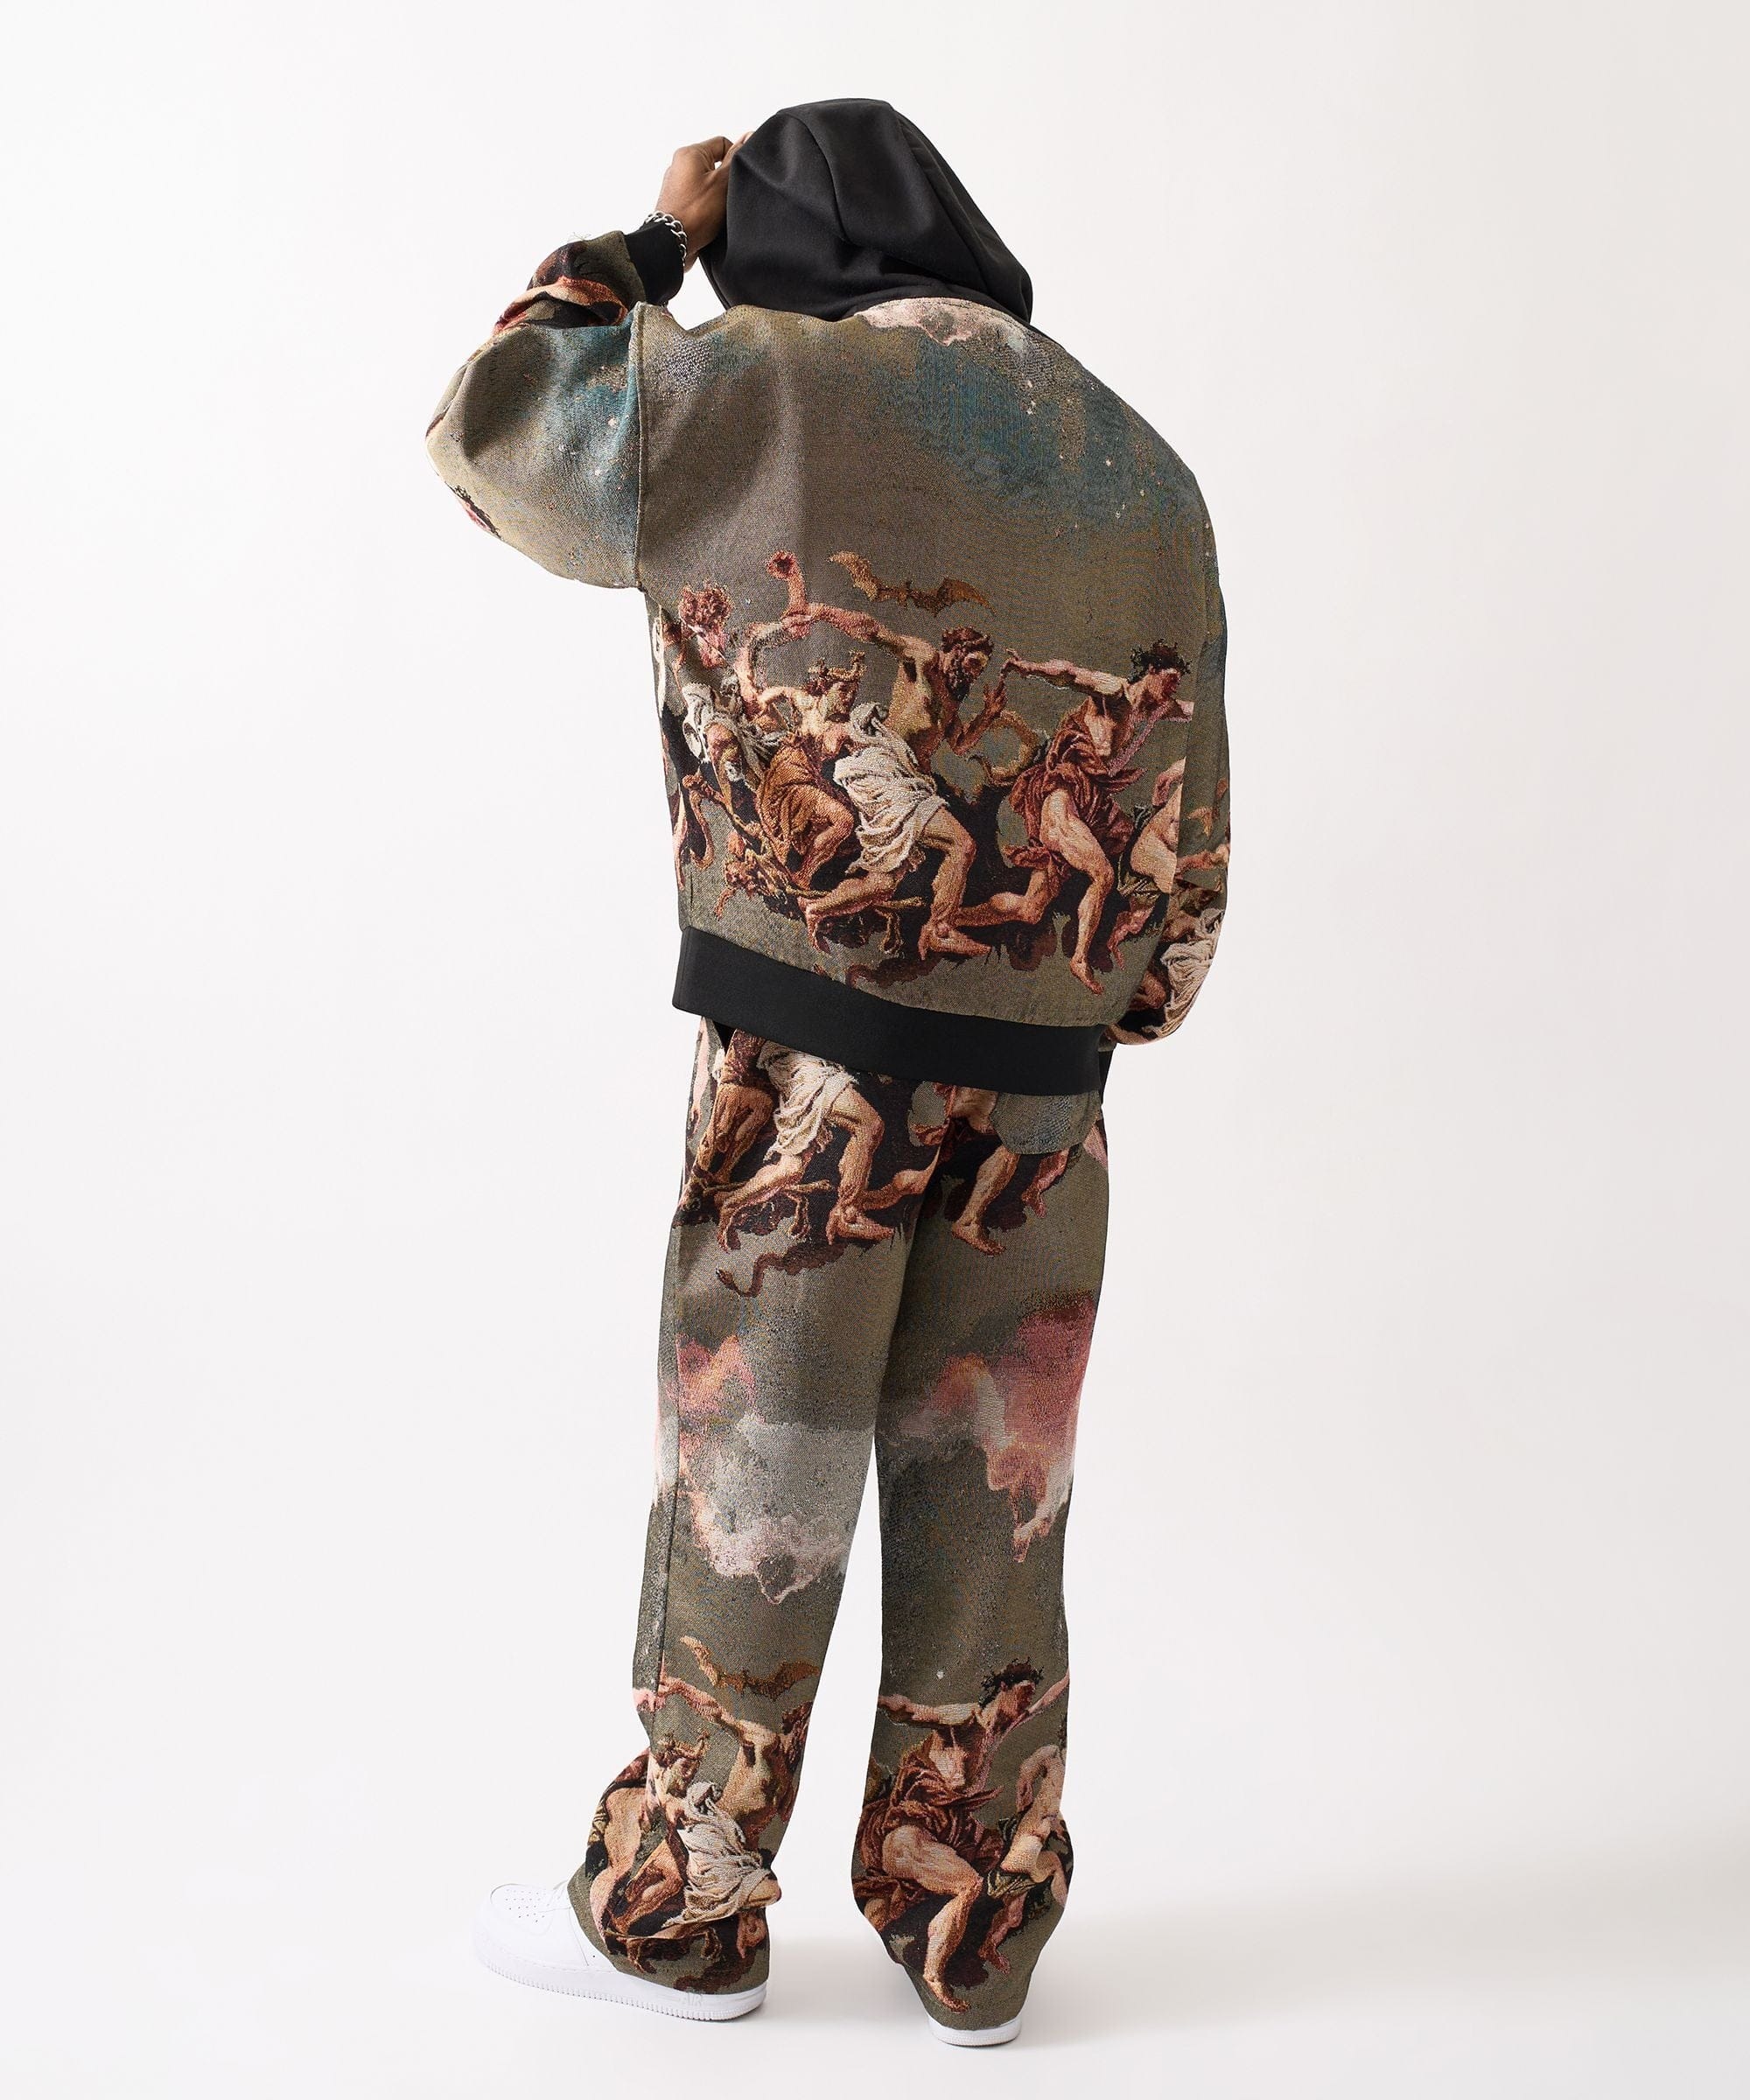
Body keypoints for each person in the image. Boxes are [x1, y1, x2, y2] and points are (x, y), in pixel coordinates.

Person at [430, 99, 1231, 2046]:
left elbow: (498, 426)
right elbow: (1185, 848)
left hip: (812, 1064)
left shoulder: (763, 386)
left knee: (758, 1476)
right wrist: (1087, 1017)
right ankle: (976, 1940)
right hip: (1045, 1095)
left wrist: (652, 245)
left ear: (779, 248)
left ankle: (681, 1913)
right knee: (997, 1497)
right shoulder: (1139, 461)